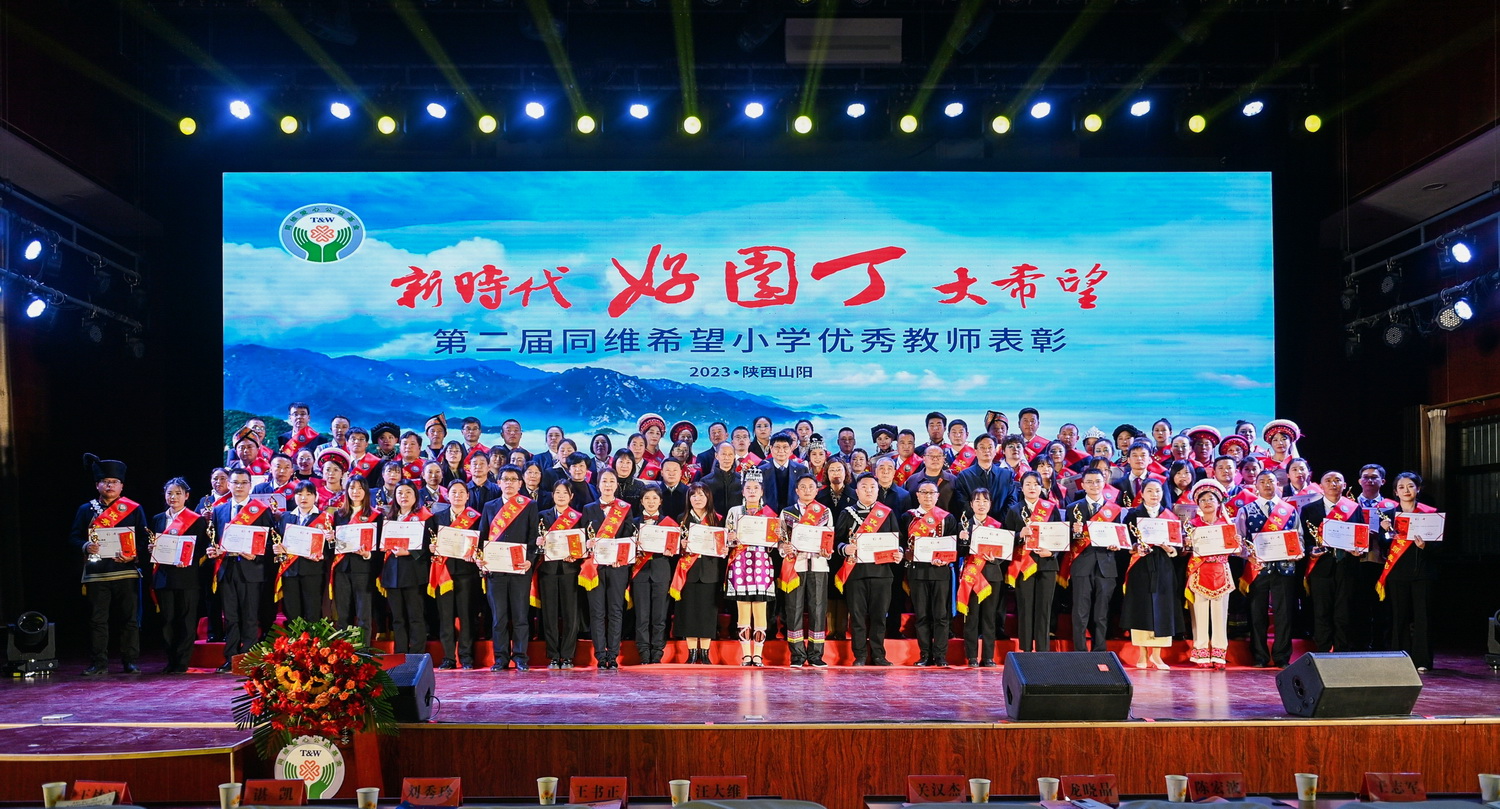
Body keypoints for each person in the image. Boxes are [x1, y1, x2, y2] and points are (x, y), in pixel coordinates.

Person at [71, 454, 147, 676]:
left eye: (114, 482)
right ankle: (99, 663)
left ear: (122, 486)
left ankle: (130, 661)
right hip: (97, 574)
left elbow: (144, 539)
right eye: (105, 482)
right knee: (97, 620)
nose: (110, 485)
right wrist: (86, 545)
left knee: (130, 620)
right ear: (97, 485)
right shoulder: (86, 509)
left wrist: (133, 555)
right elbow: (74, 537)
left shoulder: (133, 509)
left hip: (126, 571)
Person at [208, 467, 276, 673]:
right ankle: (231, 658)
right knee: (230, 617)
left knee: (250, 616)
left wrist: (256, 553)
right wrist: (212, 550)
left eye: (243, 483)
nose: (239, 486)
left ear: (250, 485)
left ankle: (248, 659)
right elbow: (214, 539)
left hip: (251, 569)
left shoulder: (261, 510)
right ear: (229, 484)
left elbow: (271, 542)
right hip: (227, 569)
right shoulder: (219, 510)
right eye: (235, 482)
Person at [1235, 470, 1302, 669]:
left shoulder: (1289, 510)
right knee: (1257, 613)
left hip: (1284, 567)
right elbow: (1239, 540)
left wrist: (1297, 551)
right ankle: (1259, 656)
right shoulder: (1246, 510)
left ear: (1277, 484)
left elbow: (1298, 536)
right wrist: (1248, 555)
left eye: (1271, 481)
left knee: (1284, 613)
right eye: (1262, 481)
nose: (1267, 484)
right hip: (1257, 567)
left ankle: (1282, 656)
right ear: (1256, 486)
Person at [834, 472, 903, 666]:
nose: (868, 491)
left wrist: (898, 552)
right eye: (864, 487)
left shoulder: (886, 513)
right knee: (857, 616)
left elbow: (897, 540)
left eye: (872, 487)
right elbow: (837, 541)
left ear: (878, 490)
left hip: (882, 573)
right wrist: (845, 548)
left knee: (879, 616)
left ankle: (879, 655)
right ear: (856, 491)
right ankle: (860, 655)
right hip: (856, 573)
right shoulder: (847, 513)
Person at [1377, 471, 1438, 671]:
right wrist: (1386, 531)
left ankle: (1422, 660)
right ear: (1395, 492)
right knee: (1399, 616)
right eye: (1401, 487)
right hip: (1397, 572)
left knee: (1423, 616)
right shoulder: (1388, 515)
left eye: (1411, 486)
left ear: (1418, 489)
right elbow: (1383, 545)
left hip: (1423, 571)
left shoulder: (1430, 513)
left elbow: (1441, 543)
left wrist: (1425, 546)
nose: (1406, 490)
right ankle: (1399, 658)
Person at [480, 465, 539, 671]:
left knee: (520, 616)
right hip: (495, 570)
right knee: (499, 617)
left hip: (520, 568)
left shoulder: (529, 505)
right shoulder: (489, 506)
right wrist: (481, 559)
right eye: (505, 479)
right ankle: (501, 658)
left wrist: (530, 559)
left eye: (514, 479)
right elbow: (482, 537)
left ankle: (521, 657)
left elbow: (533, 537)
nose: (509, 483)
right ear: (499, 483)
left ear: (520, 484)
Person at [1299, 470, 1362, 653]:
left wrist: (1359, 549)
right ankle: (1323, 651)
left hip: (1346, 566)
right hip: (1321, 567)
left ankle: (1342, 651)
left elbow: (1360, 534)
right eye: (1328, 480)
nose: (1333, 484)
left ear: (1344, 485)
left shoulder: (1354, 508)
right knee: (1321, 611)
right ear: (1321, 485)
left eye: (1337, 480)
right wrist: (1311, 550)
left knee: (1344, 611)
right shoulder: (1309, 509)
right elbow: (1304, 538)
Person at [1121, 479, 1181, 670]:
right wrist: (1135, 547)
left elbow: (1178, 547)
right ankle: (1142, 654)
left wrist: (1169, 548)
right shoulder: (1133, 515)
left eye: (1157, 491)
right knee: (1141, 608)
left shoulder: (1170, 516)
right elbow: (1126, 540)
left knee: (1163, 608)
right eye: (1150, 491)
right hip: (1140, 565)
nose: (1154, 494)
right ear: (1142, 493)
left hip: (1163, 565)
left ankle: (1157, 655)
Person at [582, 469, 637, 670]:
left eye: (611, 481)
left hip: (617, 567)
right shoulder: (588, 509)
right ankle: (600, 655)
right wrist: (587, 544)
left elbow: (628, 536)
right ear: (598, 484)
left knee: (615, 610)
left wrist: (620, 558)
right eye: (604, 481)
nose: (607, 485)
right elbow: (583, 536)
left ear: (616, 485)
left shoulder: (625, 508)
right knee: (597, 612)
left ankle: (612, 655)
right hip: (594, 567)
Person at [150, 476, 206, 674]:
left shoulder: (197, 520)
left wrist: (187, 557)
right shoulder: (158, 519)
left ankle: (182, 661)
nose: (173, 497)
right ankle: (171, 659)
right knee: (167, 620)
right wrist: (151, 549)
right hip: (164, 576)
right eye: (169, 493)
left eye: (178, 493)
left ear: (186, 496)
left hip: (187, 576)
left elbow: (201, 548)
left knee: (186, 619)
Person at [1064, 468, 1122, 652]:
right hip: (1082, 564)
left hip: (1106, 565)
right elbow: (1065, 539)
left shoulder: (1114, 509)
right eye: (1089, 482)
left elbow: (1119, 536)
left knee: (1102, 612)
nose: (1094, 485)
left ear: (1104, 483)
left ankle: (1100, 651)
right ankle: (1080, 651)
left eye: (1097, 481)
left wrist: (1117, 545)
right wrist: (1073, 532)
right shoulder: (1073, 508)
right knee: (1080, 611)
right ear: (1082, 485)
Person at [902, 480, 960, 667]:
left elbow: (954, 546)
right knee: (922, 615)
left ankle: (940, 655)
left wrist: (946, 558)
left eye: (931, 493)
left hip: (940, 572)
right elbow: (901, 544)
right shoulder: (907, 517)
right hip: (917, 572)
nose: (928, 496)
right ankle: (925, 655)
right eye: (924, 492)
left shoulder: (948, 518)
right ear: (917, 495)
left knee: (941, 616)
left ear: (937, 496)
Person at [725, 469, 779, 666]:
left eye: (756, 488)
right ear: (743, 491)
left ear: (762, 491)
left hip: (761, 563)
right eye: (748, 488)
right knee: (743, 609)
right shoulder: (734, 512)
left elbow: (775, 543)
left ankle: (758, 655)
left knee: (760, 609)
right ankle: (746, 654)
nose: (752, 491)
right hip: (740, 562)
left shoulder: (770, 514)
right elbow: (726, 540)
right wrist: (730, 538)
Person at [1003, 471, 1062, 653]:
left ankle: (1043, 650)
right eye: (1027, 484)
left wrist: (1052, 552)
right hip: (1023, 565)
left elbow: (1060, 536)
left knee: (1044, 608)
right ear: (1021, 488)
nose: (1032, 488)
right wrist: (1020, 535)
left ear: (1041, 487)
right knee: (1025, 607)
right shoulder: (1014, 510)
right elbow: (1007, 538)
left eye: (1036, 484)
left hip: (1047, 564)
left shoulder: (1051, 508)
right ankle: (1026, 650)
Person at [779, 473, 833, 667]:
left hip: (818, 564)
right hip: (795, 564)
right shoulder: (787, 512)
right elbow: (780, 539)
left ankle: (816, 654)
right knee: (794, 609)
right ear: (797, 490)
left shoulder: (825, 512)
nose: (807, 490)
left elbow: (829, 536)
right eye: (803, 487)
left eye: (811, 487)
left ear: (817, 490)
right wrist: (784, 548)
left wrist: (827, 550)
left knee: (818, 608)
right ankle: (797, 655)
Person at [432, 479, 483, 669]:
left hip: (467, 573)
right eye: (454, 492)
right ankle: (448, 657)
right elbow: (430, 541)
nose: (458, 495)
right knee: (445, 617)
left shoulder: (475, 518)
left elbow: (481, 543)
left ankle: (466, 657)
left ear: (468, 496)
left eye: (462, 492)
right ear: (447, 495)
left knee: (467, 616)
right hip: (443, 572)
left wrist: (476, 554)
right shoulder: (437, 517)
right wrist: (431, 547)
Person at [1184, 479, 1235, 669]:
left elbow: (1235, 550)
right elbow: (1186, 550)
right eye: (1203, 500)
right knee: (1199, 614)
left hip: (1221, 571)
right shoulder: (1192, 524)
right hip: (1200, 571)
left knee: (1220, 614)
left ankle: (1219, 654)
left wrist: (1236, 542)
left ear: (1218, 501)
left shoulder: (1226, 523)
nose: (1207, 503)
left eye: (1211, 499)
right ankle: (1201, 652)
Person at [672, 483, 725, 664]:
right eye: (693, 495)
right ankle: (692, 653)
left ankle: (705, 653)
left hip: (710, 570)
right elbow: (673, 546)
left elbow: (722, 547)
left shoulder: (717, 519)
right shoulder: (681, 519)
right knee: (689, 612)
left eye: (701, 495)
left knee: (708, 612)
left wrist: (724, 547)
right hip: (688, 571)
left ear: (708, 497)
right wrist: (680, 545)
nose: (697, 499)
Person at [538, 478, 586, 668]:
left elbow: (582, 543)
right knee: (549, 613)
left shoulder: (578, 517)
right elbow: (535, 542)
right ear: (552, 495)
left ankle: (567, 655)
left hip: (570, 570)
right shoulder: (542, 516)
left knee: (570, 613)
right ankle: (553, 655)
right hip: (547, 570)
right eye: (557, 492)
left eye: (565, 493)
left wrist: (576, 555)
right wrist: (538, 542)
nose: (561, 496)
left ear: (571, 496)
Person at [956, 488, 1007, 666]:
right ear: (971, 504)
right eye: (977, 501)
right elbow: (958, 553)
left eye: (985, 501)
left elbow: (1004, 553)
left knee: (989, 617)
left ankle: (988, 657)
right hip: (971, 575)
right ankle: (971, 657)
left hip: (992, 576)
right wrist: (962, 540)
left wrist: (995, 559)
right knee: (972, 617)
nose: (981, 504)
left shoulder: (998, 526)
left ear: (990, 504)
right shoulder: (963, 525)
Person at [381, 480, 432, 656]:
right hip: (392, 574)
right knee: (397, 618)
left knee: (415, 616)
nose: (404, 496)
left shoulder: (425, 517)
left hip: (413, 572)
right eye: (400, 493)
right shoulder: (388, 518)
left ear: (415, 495)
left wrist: (410, 552)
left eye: (408, 492)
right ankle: (400, 654)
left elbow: (429, 545)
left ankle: (417, 655)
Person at [630, 484, 678, 664]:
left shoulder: (669, 523)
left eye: (654, 498)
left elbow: (675, 549)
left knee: (660, 616)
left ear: (660, 501)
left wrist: (671, 550)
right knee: (641, 616)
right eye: (647, 498)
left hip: (661, 571)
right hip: (640, 573)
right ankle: (643, 653)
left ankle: (657, 652)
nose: (651, 502)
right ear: (641, 501)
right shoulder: (633, 522)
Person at [274, 482, 330, 625]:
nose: (303, 498)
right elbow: (279, 539)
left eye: (308, 494)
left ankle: (312, 638)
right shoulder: (286, 517)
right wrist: (277, 548)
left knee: (313, 609)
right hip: (290, 570)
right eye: (299, 494)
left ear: (315, 497)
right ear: (294, 497)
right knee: (292, 610)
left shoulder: (325, 518)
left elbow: (331, 548)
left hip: (313, 570)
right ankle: (294, 638)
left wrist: (322, 554)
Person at [331, 478, 381, 641]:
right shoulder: (339, 515)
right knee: (343, 615)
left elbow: (380, 547)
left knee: (363, 615)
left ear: (366, 491)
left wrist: (368, 555)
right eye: (352, 488)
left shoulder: (375, 516)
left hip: (363, 569)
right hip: (342, 569)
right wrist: (330, 540)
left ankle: (363, 650)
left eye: (360, 488)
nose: (356, 491)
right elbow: (333, 546)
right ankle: (343, 651)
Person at [757, 433, 808, 514]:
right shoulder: (760, 470)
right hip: (768, 515)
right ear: (771, 448)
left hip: (795, 515)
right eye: (777, 447)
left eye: (785, 447)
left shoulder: (801, 470)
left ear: (790, 449)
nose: (781, 451)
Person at [905, 444, 957, 510]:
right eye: (931, 456)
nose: (935, 459)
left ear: (944, 459)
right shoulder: (912, 480)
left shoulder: (953, 480)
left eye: (939, 456)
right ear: (924, 458)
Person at [700, 443, 743, 518]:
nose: (727, 458)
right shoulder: (705, 481)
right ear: (716, 456)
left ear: (734, 456)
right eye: (723, 454)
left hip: (737, 521)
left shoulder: (742, 480)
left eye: (730, 454)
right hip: (713, 522)